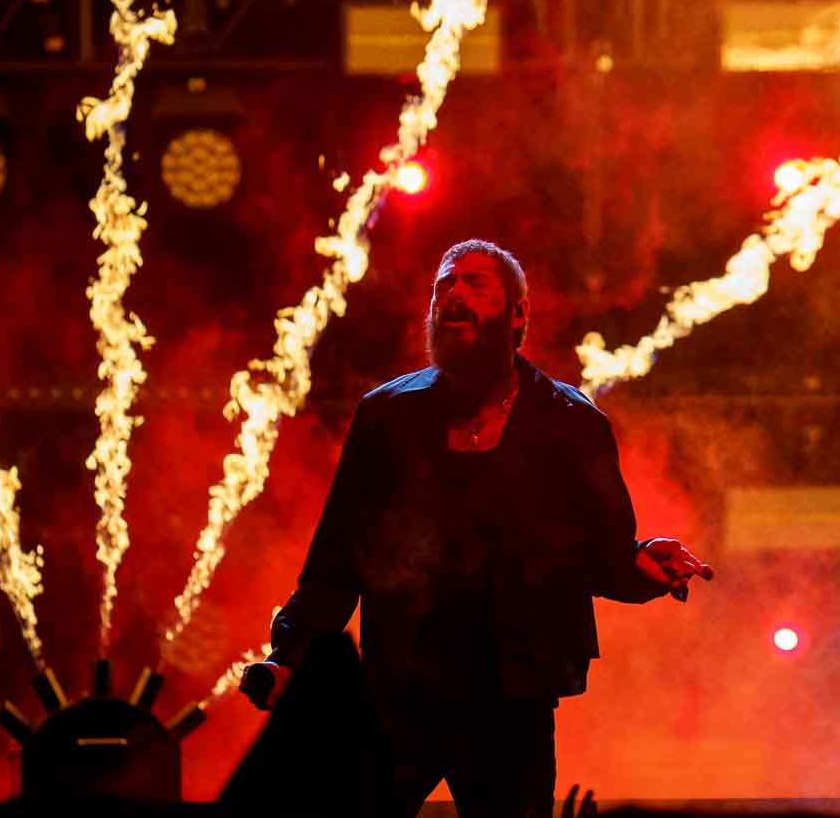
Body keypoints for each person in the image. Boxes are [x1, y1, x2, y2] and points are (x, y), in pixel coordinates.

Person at [241, 239, 711, 818]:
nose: (454, 295)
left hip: (511, 701)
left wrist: (642, 566)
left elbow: (599, 558)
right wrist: (292, 655)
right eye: (445, 285)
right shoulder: (387, 417)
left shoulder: (571, 424)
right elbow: (339, 557)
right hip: (398, 694)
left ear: (517, 313)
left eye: (475, 284)